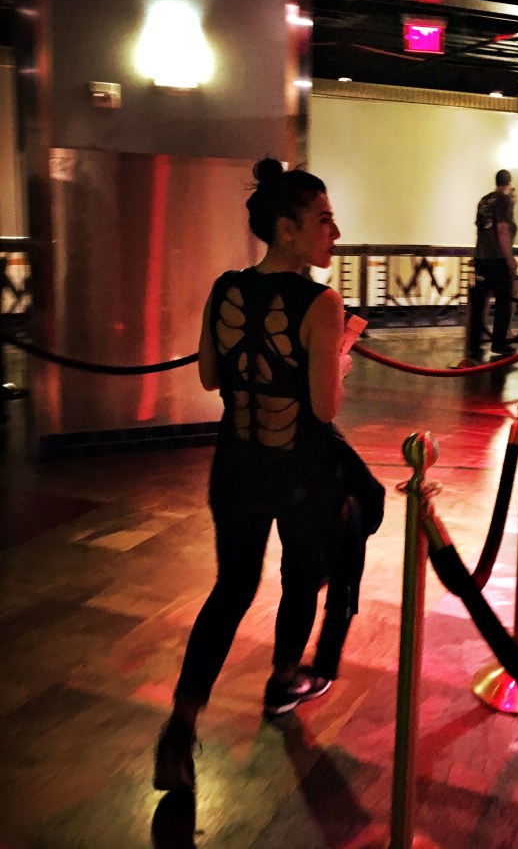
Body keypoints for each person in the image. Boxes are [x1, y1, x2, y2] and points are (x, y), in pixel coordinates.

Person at [153, 157, 380, 792]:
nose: (335, 232)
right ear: (286, 228)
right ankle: (284, 679)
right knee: (300, 578)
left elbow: (209, 376)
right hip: (300, 469)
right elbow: (325, 408)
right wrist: (337, 364)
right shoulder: (321, 302)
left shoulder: (226, 287)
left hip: (236, 463)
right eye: (323, 220)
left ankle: (180, 726)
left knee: (231, 589)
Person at [466, 168, 518, 360]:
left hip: (481, 258)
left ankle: (474, 345)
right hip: (497, 259)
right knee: (503, 302)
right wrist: (509, 259)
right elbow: (502, 229)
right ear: (508, 183)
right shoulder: (504, 200)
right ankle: (499, 343)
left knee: (479, 304)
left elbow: (481, 230)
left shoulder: (483, 201)